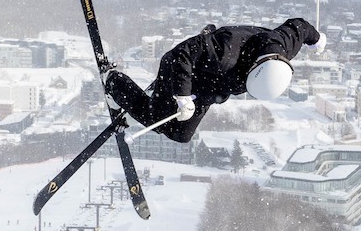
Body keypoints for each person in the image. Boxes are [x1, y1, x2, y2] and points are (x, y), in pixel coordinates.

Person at [102, 16, 320, 143]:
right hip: (181, 69)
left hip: (209, 87)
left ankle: (143, 106)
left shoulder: (283, 45)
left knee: (181, 134)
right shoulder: (227, 51)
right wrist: (183, 96)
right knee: (157, 122)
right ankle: (113, 81)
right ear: (256, 66)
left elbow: (300, 26)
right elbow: (181, 54)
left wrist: (318, 40)